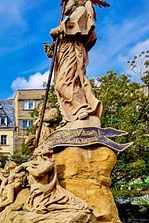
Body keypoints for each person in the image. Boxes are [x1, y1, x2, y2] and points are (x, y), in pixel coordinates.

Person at [48, 0, 107, 129]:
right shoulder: (70, 15)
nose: (63, 6)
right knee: (60, 85)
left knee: (65, 82)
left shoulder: (81, 11)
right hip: (63, 53)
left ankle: (81, 108)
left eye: (67, 2)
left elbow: (74, 27)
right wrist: (52, 49)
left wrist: (57, 30)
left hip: (72, 51)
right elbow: (62, 36)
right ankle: (69, 116)